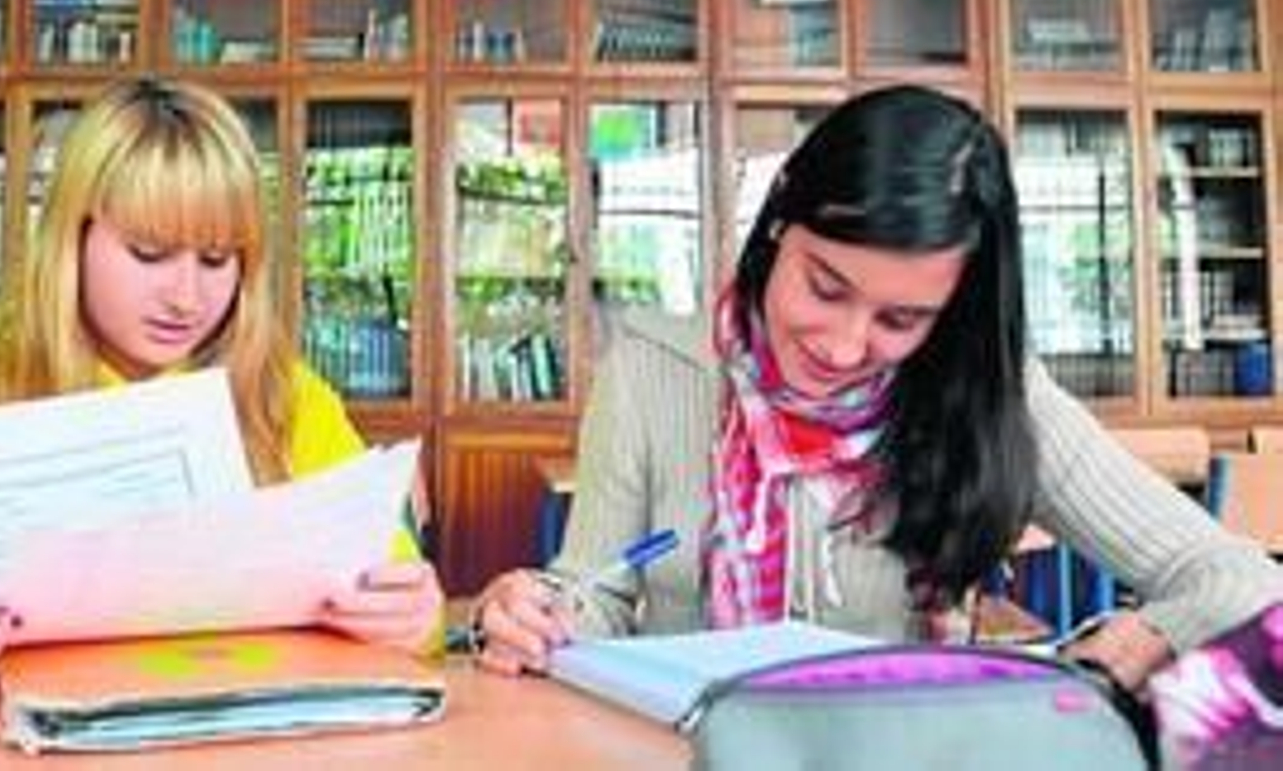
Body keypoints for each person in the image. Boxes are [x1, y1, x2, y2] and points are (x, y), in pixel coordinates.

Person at [472, 84, 1283, 691]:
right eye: (824, 287)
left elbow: (1241, 577)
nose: (844, 344)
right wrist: (536, 611)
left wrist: (1143, 637)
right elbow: (595, 592)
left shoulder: (991, 398)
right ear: (780, 222)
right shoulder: (650, 372)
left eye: (901, 317)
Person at [0, 78, 443, 695]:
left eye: (216, 258)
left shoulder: (287, 398)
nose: (186, 295)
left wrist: (412, 612)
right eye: (149, 252)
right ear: (72, 240)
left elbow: (412, 605)